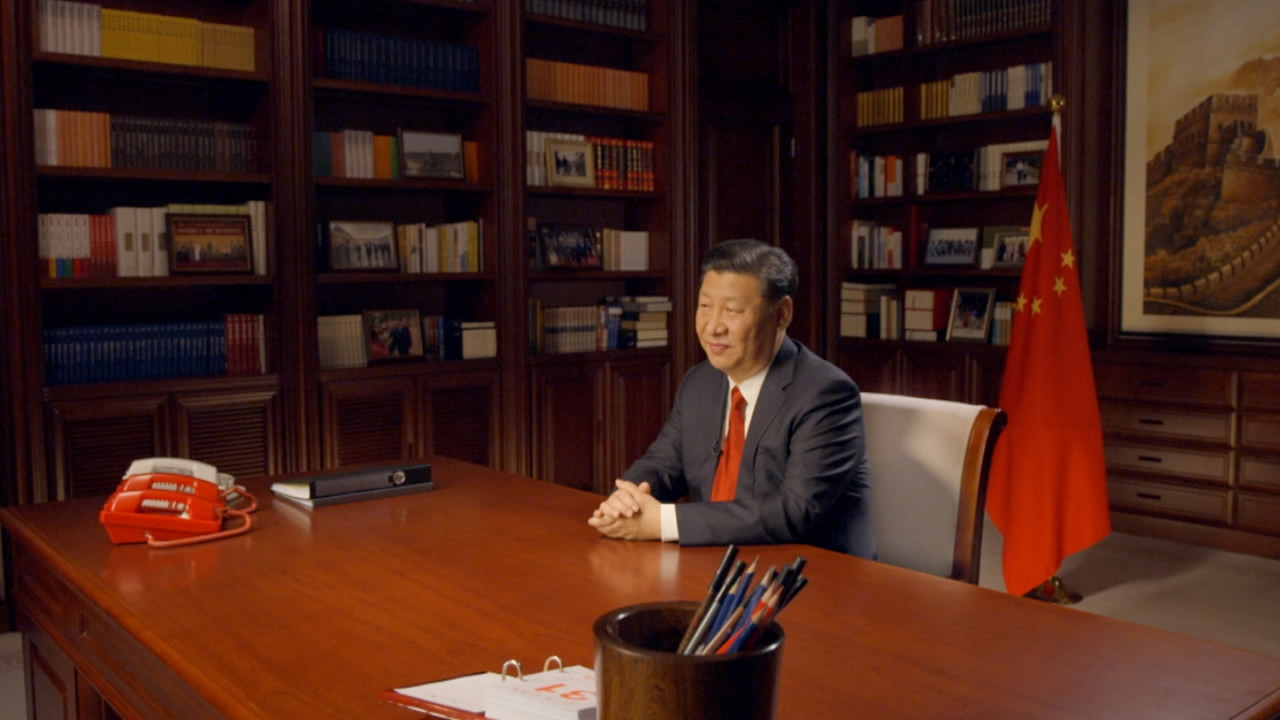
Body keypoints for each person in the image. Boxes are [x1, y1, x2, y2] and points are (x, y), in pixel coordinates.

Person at [588, 239, 875, 557]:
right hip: (717, 561)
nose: (712, 327)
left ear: (781, 314)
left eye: (732, 311)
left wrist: (663, 522)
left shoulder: (826, 393)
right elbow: (663, 463)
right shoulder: (700, 381)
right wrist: (626, 499)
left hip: (811, 577)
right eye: (705, 306)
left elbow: (795, 511)